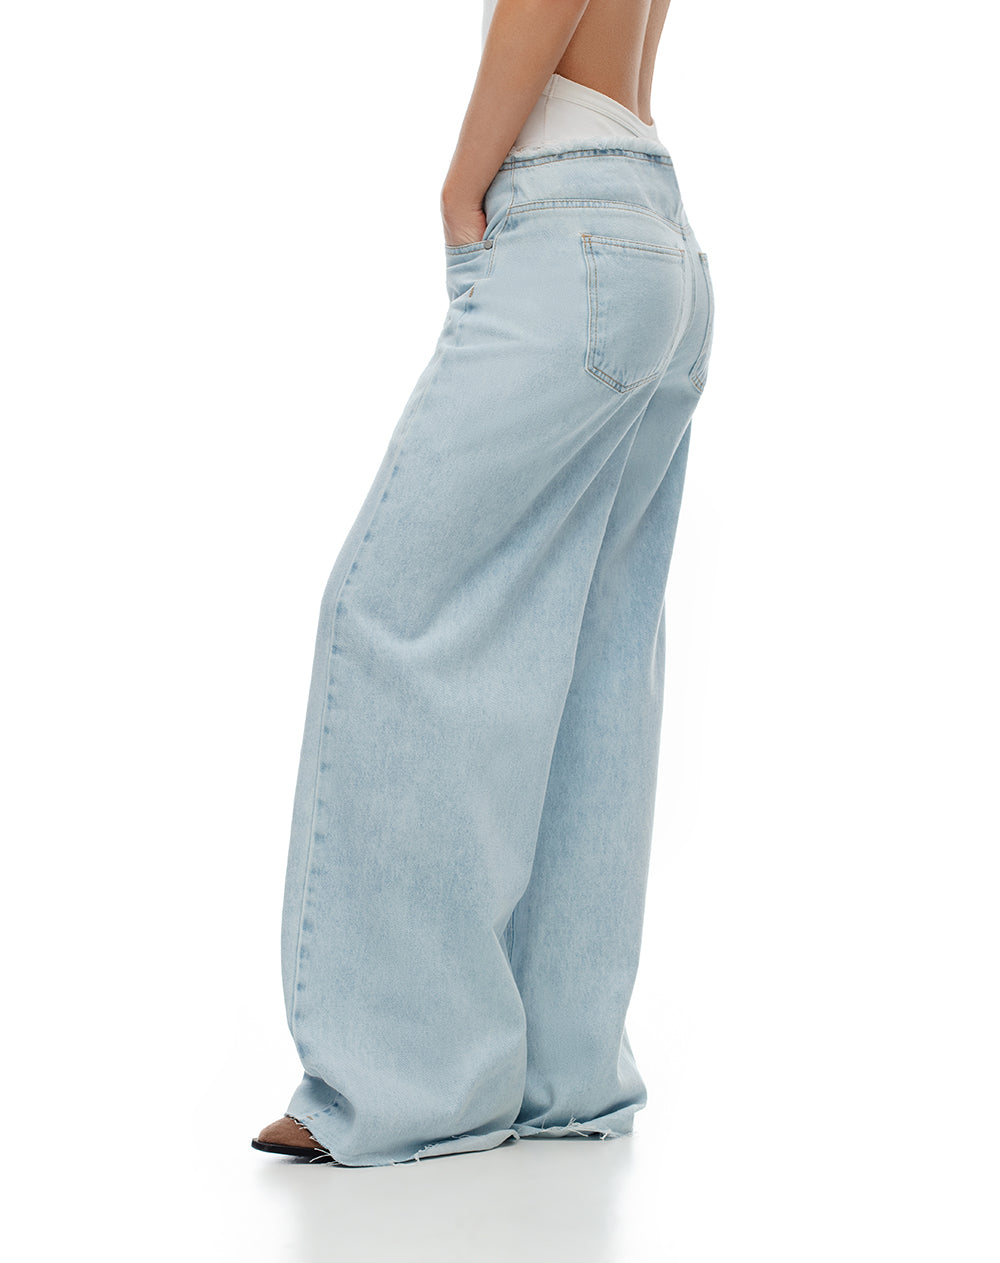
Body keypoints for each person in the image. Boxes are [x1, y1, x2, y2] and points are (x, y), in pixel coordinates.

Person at [252, 0, 715, 1168]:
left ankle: (409, 1081)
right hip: (650, 220)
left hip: (562, 222)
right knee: (592, 653)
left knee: (392, 619)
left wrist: (463, 186)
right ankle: (561, 1070)